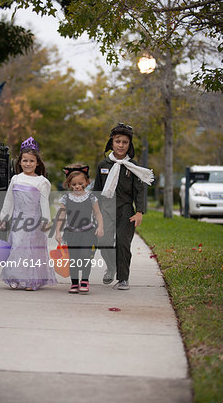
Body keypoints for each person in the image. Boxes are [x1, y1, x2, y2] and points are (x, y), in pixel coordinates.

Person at [93, 123, 154, 290]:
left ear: (129, 145)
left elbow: (139, 191)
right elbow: (97, 190)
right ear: (112, 143)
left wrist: (140, 212)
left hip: (125, 211)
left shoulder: (133, 167)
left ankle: (123, 277)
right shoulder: (103, 165)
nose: (121, 145)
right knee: (103, 240)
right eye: (117, 141)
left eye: (125, 142)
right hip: (106, 210)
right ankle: (111, 266)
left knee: (123, 242)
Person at [0, 137, 57, 290]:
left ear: (37, 163)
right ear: (19, 162)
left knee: (32, 251)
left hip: (34, 221)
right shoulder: (16, 179)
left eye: (31, 161)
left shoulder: (42, 182)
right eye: (25, 160)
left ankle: (32, 280)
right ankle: (15, 277)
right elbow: (9, 200)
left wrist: (46, 220)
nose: (28, 164)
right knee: (17, 248)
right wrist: (4, 218)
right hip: (18, 220)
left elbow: (44, 202)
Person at [55, 164, 104, 294]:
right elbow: (61, 215)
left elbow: (98, 213)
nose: (77, 186)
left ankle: (85, 281)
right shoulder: (66, 198)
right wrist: (57, 231)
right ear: (69, 184)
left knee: (85, 255)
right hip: (71, 233)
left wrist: (100, 227)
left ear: (87, 182)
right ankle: (74, 283)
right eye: (74, 184)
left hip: (87, 232)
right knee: (73, 258)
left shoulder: (91, 197)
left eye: (80, 183)